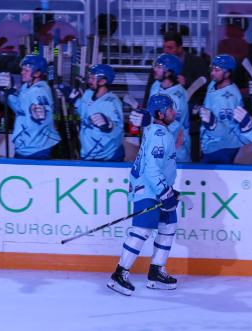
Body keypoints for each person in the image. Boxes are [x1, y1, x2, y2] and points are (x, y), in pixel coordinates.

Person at [109, 94, 182, 296]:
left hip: (157, 189)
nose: (173, 112)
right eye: (169, 109)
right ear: (159, 113)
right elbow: (151, 169)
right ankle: (119, 274)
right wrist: (164, 192)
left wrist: (166, 190)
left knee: (168, 226)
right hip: (148, 190)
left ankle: (156, 272)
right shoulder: (159, 134)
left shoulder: (160, 131)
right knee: (141, 231)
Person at [130, 53, 191, 162]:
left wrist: (151, 120)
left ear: (168, 73)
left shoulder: (177, 96)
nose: (155, 69)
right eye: (156, 66)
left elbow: (173, 125)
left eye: (159, 67)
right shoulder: (156, 86)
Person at [0, 54, 61, 159]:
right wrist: (9, 92)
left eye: (26, 70)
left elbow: (41, 119)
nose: (22, 72)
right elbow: (20, 109)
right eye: (23, 69)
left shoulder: (38, 91)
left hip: (35, 148)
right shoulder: (26, 87)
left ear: (37, 73)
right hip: (26, 146)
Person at [62, 64, 125, 161]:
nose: (89, 81)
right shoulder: (88, 94)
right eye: (90, 77)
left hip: (108, 156)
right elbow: (85, 112)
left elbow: (119, 131)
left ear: (103, 81)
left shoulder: (112, 102)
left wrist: (110, 125)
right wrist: (75, 101)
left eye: (93, 78)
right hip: (88, 153)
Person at [195, 54, 250, 164]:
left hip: (222, 147)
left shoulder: (230, 97)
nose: (212, 73)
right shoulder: (214, 84)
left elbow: (225, 128)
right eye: (213, 69)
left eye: (217, 70)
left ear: (228, 73)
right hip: (210, 144)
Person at [142, 30, 209, 107]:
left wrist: (187, 82)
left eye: (170, 48)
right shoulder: (159, 63)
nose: (166, 51)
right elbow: (149, 90)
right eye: (164, 47)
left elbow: (207, 86)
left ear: (180, 48)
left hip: (188, 112)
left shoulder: (196, 61)